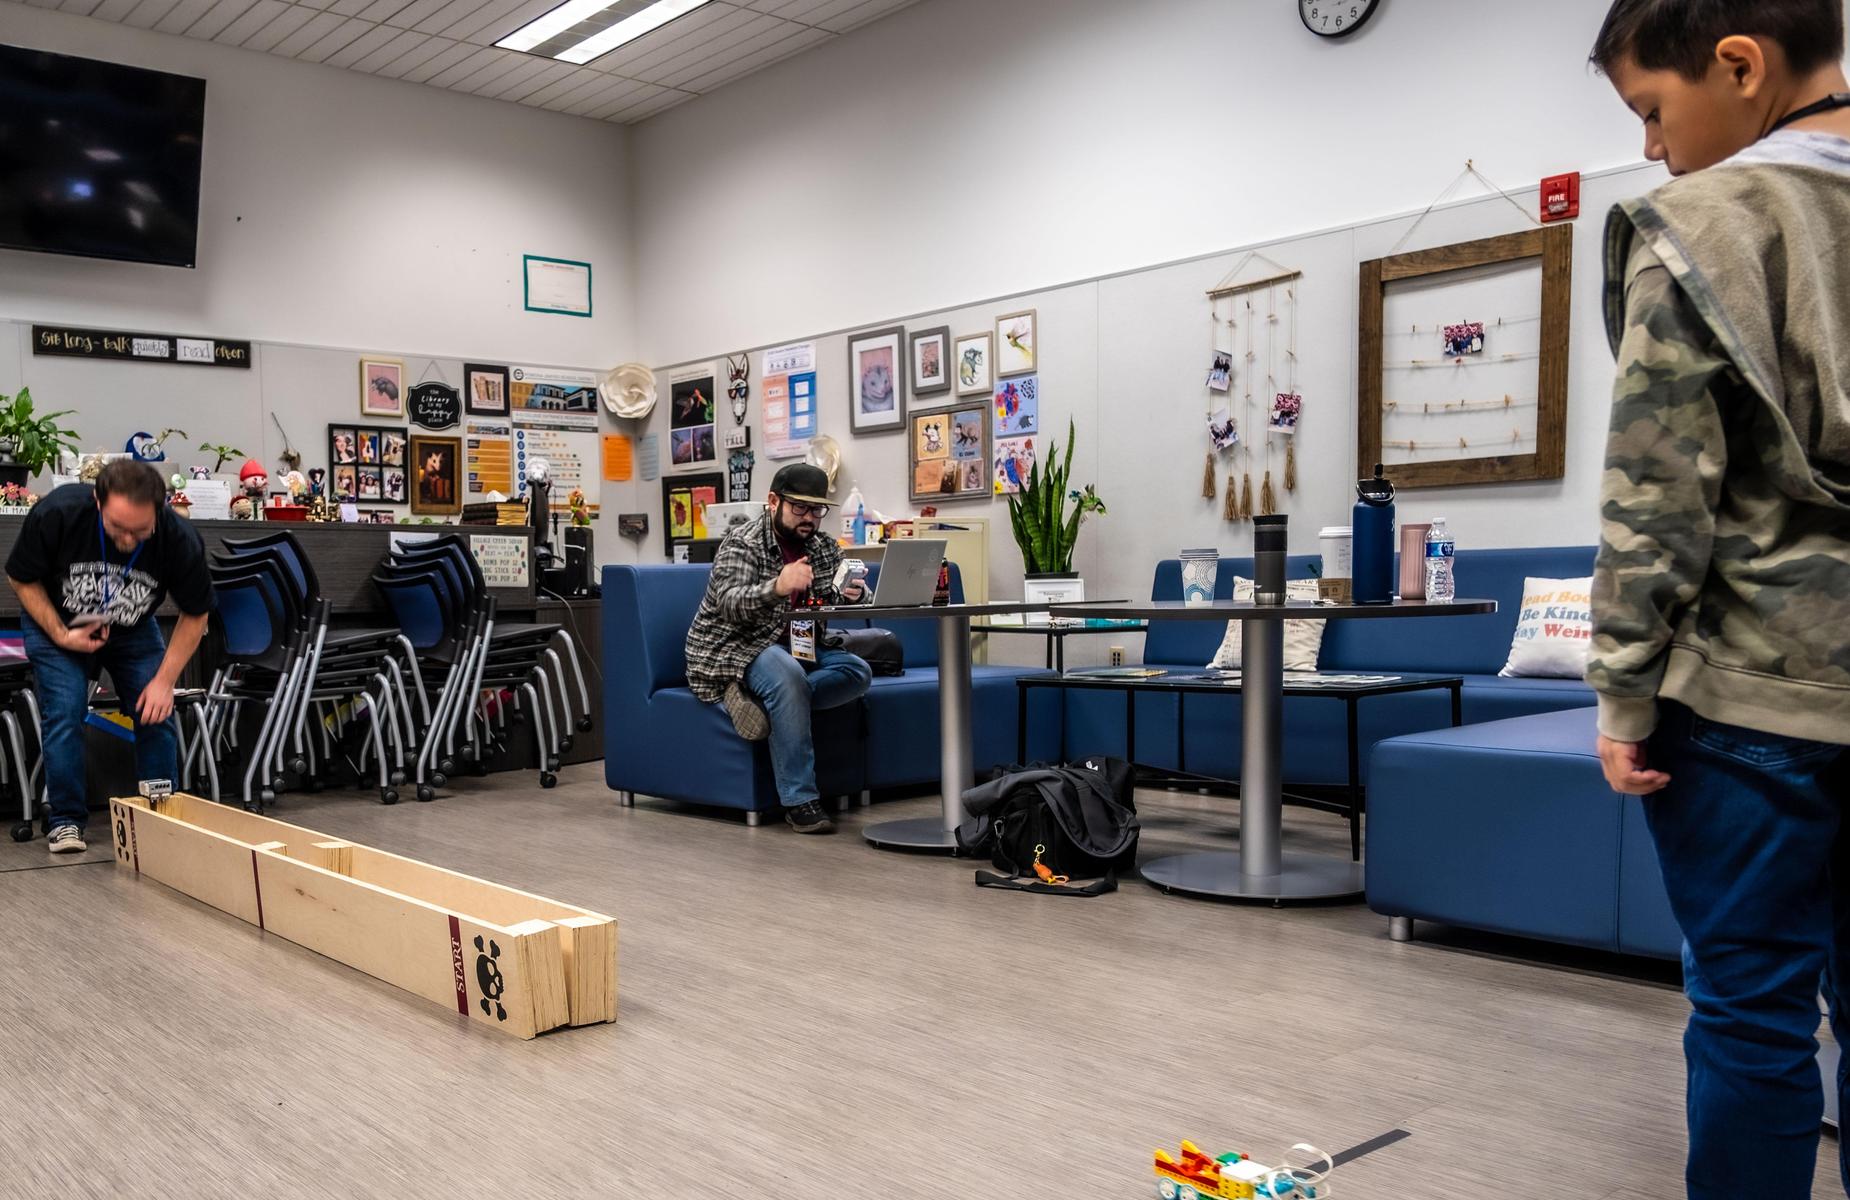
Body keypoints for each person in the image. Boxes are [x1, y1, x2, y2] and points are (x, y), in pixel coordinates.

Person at [1585, 3, 1850, 1195]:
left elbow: (1656, 497)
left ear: (1740, 65)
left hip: (1753, 698)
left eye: (1651, 108)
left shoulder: (1694, 227)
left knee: (1750, 1016)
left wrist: (1621, 699)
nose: (1648, 143)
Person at [6, 461, 212, 854]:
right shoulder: (59, 512)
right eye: (118, 528)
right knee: (64, 711)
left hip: (131, 628)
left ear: (160, 509)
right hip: (58, 621)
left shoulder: (177, 537)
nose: (130, 540)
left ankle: (159, 816)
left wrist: (164, 682)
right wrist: (61, 633)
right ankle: (66, 821)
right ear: (97, 501)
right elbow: (21, 577)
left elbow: (196, 613)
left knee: (156, 711)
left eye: (140, 530)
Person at [684, 464, 872, 834]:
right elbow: (729, 604)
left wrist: (857, 593)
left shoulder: (822, 547)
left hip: (799, 645)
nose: (809, 519)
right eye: (799, 508)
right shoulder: (742, 542)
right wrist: (778, 587)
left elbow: (838, 596)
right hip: (738, 645)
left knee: (857, 673)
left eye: (816, 510)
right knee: (787, 678)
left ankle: (764, 702)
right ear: (773, 501)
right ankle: (800, 801)